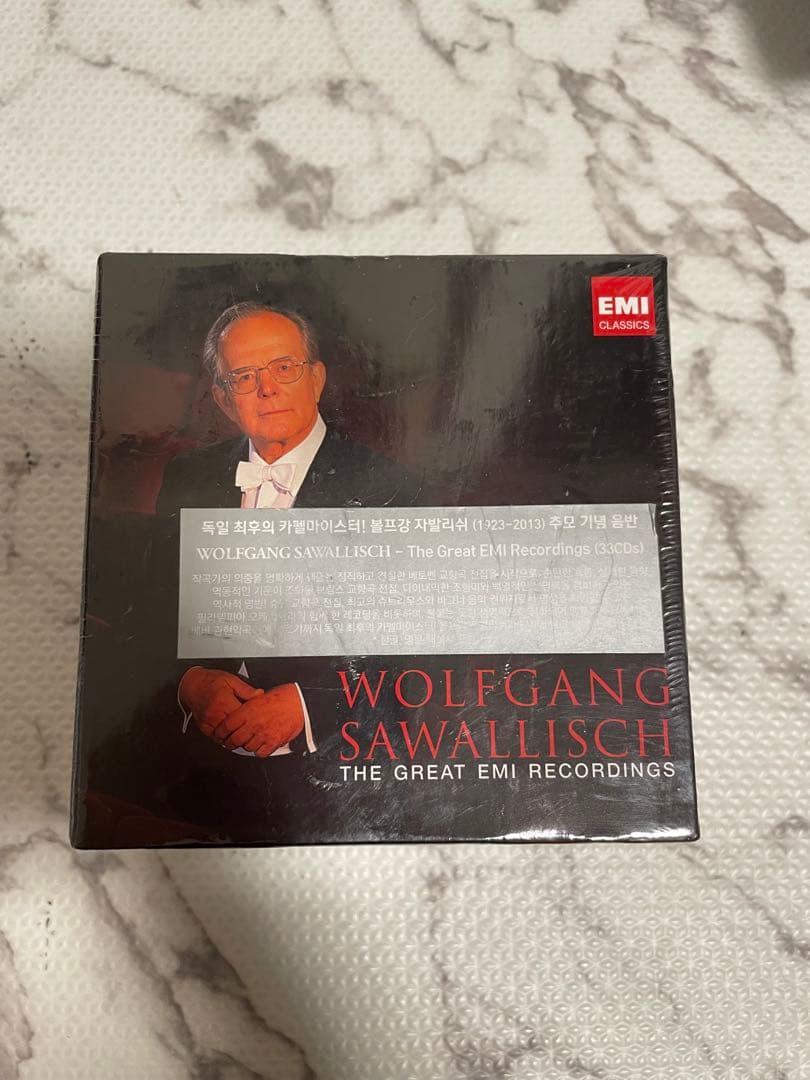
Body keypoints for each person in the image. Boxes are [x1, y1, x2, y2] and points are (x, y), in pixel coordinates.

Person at [156, 302, 422, 771]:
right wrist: (191, 683)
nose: (267, 388)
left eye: (284, 367)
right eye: (244, 376)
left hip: (330, 761)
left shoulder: (393, 488)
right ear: (222, 399)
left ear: (316, 379)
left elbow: (420, 650)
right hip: (190, 753)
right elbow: (150, 608)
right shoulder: (187, 475)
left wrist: (307, 705)